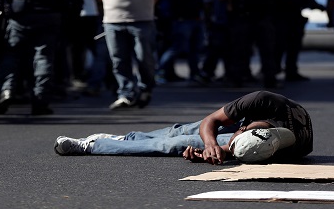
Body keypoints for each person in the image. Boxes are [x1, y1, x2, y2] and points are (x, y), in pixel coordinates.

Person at [54, 90, 313, 165]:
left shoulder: (286, 150)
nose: (231, 140)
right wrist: (212, 143)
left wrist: (213, 154)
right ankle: (125, 137)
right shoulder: (261, 100)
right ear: (243, 128)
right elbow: (210, 121)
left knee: (173, 145)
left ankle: (91, 145)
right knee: (179, 131)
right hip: (258, 118)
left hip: (263, 141)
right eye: (234, 138)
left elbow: (239, 149)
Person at [90, 0, 163, 110]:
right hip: (112, 21)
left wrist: (148, 5)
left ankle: (146, 89)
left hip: (142, 20)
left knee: (143, 58)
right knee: (118, 59)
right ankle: (126, 94)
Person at [219, 0, 285, 88]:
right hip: (242, 19)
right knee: (239, 51)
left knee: (267, 50)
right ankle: (237, 78)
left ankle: (270, 79)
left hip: (262, 19)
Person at [155, 0, 211, 86]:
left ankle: (194, 74)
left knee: (195, 50)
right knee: (177, 48)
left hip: (197, 19)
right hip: (181, 20)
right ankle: (159, 72)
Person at [272, 0, 326, 82]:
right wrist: (320, 7)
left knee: (279, 46)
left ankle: (275, 70)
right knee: (291, 47)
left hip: (279, 20)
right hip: (290, 20)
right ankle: (288, 71)